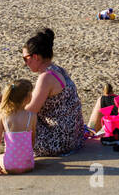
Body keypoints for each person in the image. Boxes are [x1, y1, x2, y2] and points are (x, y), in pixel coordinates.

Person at [19, 28, 85, 156]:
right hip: (75, 137)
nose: (25, 64)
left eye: (25, 59)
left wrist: (8, 109)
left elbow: (31, 111)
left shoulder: (46, 78)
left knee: (15, 119)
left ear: (36, 57)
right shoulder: (58, 70)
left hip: (59, 141)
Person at [0, 80, 36, 175]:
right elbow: (32, 140)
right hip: (28, 164)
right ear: (27, 98)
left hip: (10, 166)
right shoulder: (32, 116)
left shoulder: (4, 116)